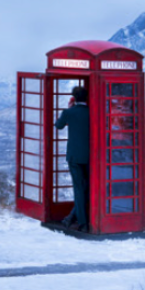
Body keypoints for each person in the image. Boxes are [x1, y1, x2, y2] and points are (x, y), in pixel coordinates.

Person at [54, 84, 90, 231]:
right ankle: (73, 216)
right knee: (88, 188)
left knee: (79, 188)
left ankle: (82, 222)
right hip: (92, 155)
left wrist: (69, 109)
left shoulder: (69, 112)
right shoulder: (92, 112)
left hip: (74, 156)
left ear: (74, 98)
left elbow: (58, 125)